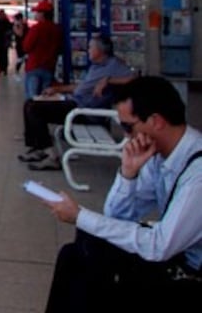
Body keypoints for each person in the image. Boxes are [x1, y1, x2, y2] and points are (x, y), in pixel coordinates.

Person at [39, 75, 202, 310]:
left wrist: (80, 216)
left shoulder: (197, 174)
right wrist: (128, 173)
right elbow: (116, 215)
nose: (126, 136)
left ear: (156, 121)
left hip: (190, 273)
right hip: (175, 258)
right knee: (76, 253)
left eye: (128, 126)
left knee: (90, 270)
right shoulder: (158, 155)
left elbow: (159, 246)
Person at [18, 34, 136, 170]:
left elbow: (134, 78)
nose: (88, 50)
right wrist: (57, 90)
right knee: (29, 103)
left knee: (34, 109)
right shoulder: (95, 67)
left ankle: (52, 156)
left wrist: (109, 80)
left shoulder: (113, 65)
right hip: (75, 105)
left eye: (91, 47)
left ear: (101, 50)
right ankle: (40, 148)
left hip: (84, 111)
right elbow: (81, 88)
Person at [21, 0, 62, 100]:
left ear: (43, 14)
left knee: (33, 99)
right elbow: (60, 48)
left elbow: (26, 47)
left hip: (34, 67)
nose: (36, 14)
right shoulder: (57, 29)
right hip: (49, 67)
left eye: (38, 12)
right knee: (46, 98)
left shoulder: (36, 28)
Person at [0, 9, 13, 76]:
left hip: (4, 40)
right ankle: (1, 68)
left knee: (4, 54)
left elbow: (10, 30)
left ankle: (4, 68)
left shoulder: (6, 22)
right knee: (0, 54)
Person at [12, 12, 29, 80]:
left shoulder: (25, 25)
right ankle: (17, 71)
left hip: (26, 43)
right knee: (20, 58)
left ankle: (27, 71)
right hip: (19, 45)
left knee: (27, 58)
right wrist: (19, 25)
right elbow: (20, 34)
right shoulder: (16, 26)